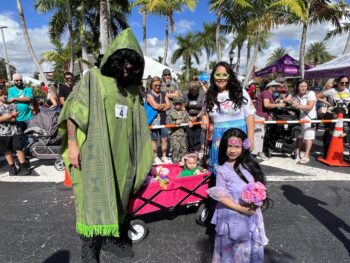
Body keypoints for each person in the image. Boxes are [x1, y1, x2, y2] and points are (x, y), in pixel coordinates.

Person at [58, 28, 153, 262]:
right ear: (113, 58)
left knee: (120, 197)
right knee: (93, 200)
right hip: (95, 153)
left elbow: (138, 125)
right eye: (123, 60)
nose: (127, 67)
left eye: (132, 62)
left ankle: (111, 240)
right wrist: (72, 143)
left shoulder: (132, 91)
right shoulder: (94, 79)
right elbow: (74, 111)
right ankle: (89, 252)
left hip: (123, 158)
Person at [207, 128, 268, 262]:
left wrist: (258, 201)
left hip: (250, 217)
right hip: (231, 216)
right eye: (229, 146)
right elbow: (221, 196)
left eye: (237, 146)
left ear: (244, 147)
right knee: (233, 253)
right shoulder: (222, 170)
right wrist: (242, 209)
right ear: (224, 146)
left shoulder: (251, 166)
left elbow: (260, 188)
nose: (232, 150)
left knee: (247, 251)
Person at [201, 61, 255, 171]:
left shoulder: (240, 92)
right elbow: (204, 113)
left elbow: (250, 116)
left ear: (229, 76)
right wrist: (204, 118)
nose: (221, 78)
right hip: (218, 140)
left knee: (240, 173)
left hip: (238, 138)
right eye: (218, 75)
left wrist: (251, 139)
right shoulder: (208, 95)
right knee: (220, 174)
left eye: (224, 75)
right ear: (213, 77)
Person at [253, 80, 286, 160]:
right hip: (259, 116)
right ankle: (257, 153)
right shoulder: (266, 93)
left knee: (260, 135)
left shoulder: (268, 94)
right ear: (271, 86)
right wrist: (279, 104)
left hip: (261, 116)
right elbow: (267, 105)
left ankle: (257, 152)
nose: (277, 88)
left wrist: (276, 102)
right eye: (276, 86)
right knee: (259, 136)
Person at [0, 89, 30, 175]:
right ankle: (12, 167)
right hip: (3, 132)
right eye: (1, 95)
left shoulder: (13, 105)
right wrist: (11, 115)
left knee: (19, 148)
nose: (4, 96)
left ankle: (23, 165)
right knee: (7, 150)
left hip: (15, 131)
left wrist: (7, 117)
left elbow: (14, 119)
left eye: (5, 94)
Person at [147, 76, 171, 164]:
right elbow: (155, 106)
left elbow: (169, 105)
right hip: (153, 120)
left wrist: (160, 106)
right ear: (151, 85)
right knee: (154, 139)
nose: (158, 86)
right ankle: (155, 156)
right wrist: (163, 106)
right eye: (155, 85)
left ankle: (164, 156)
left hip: (163, 119)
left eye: (159, 85)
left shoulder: (163, 93)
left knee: (164, 138)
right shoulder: (149, 94)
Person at [291, 80, 317, 163]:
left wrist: (297, 106)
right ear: (297, 87)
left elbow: (310, 106)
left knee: (308, 137)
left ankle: (306, 155)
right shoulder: (295, 95)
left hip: (310, 118)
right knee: (299, 136)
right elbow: (290, 101)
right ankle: (296, 151)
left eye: (305, 86)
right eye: (301, 86)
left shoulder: (310, 93)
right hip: (300, 118)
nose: (303, 88)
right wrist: (292, 104)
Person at [166, 96, 192, 163]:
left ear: (181, 104)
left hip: (183, 135)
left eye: (179, 104)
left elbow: (187, 120)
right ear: (174, 104)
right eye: (176, 104)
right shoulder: (171, 113)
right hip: (174, 135)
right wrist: (175, 122)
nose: (178, 105)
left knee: (183, 149)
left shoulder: (184, 113)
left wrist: (189, 122)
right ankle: (176, 163)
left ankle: (183, 163)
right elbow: (167, 123)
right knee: (175, 150)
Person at [182, 80, 206, 153]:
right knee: (189, 135)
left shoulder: (202, 94)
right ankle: (190, 151)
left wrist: (197, 116)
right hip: (188, 116)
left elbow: (204, 107)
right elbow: (182, 106)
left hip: (199, 117)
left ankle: (197, 151)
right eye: (191, 91)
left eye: (195, 91)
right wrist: (188, 116)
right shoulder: (185, 93)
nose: (193, 93)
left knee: (197, 135)